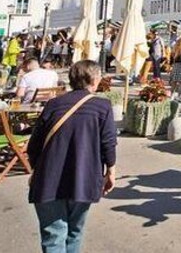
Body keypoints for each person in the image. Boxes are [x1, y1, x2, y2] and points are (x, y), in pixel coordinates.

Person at [27, 60, 117, 253]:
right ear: (94, 79)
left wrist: (36, 169)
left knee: (53, 237)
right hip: (83, 178)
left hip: (49, 178)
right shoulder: (102, 106)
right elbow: (108, 142)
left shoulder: (53, 104)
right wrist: (111, 171)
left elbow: (34, 144)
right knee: (75, 231)